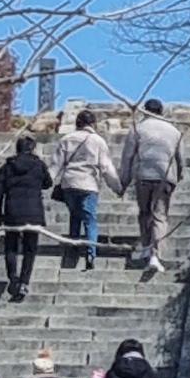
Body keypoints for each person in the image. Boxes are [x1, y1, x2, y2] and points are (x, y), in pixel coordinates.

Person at [117, 99, 185, 273]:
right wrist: (179, 175)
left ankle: (147, 247)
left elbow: (127, 158)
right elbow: (180, 159)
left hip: (144, 176)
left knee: (145, 213)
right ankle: (156, 254)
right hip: (165, 177)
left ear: (145, 111)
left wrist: (123, 183)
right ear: (162, 112)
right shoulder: (174, 131)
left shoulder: (138, 129)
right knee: (160, 215)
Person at [50, 106, 120, 270]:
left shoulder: (66, 139)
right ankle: (90, 253)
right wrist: (117, 187)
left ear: (77, 123)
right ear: (93, 124)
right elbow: (106, 167)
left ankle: (73, 247)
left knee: (74, 217)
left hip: (69, 183)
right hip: (89, 184)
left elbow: (55, 165)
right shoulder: (98, 141)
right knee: (90, 219)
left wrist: (45, 182)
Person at [0, 131, 50, 300]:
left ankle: (13, 278)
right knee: (30, 249)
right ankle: (24, 282)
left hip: (12, 212)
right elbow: (48, 183)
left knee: (11, 247)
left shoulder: (7, 167)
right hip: (33, 213)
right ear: (32, 148)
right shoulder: (38, 165)